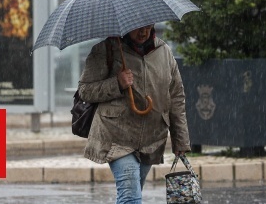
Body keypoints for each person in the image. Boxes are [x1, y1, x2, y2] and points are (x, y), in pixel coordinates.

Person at [78, 24, 191, 204]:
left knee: (133, 193)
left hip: (151, 139)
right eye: (137, 27)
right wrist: (117, 83)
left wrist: (181, 140)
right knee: (130, 196)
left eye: (148, 26)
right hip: (116, 136)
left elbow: (176, 97)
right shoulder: (106, 49)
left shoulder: (164, 52)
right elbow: (85, 90)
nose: (143, 32)